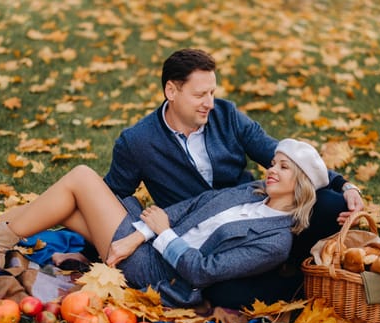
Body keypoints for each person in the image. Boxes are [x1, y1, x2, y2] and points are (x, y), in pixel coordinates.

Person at [0, 139, 328, 307]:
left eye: (284, 169)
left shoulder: (275, 242)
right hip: (147, 241)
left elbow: (204, 271)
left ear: (303, 187)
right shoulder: (251, 190)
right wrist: (144, 231)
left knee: (80, 177)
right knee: (64, 206)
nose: (272, 170)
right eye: (274, 162)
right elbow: (191, 206)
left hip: (158, 273)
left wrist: (160, 235)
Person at [104, 48, 365, 307]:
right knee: (223, 293)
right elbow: (115, 191)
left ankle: (296, 271)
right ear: (171, 91)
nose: (210, 103)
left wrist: (343, 184)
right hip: (190, 226)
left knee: (333, 203)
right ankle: (262, 281)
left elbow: (285, 156)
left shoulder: (225, 116)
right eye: (200, 94)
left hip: (253, 214)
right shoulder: (139, 140)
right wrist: (139, 233)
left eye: (212, 93)